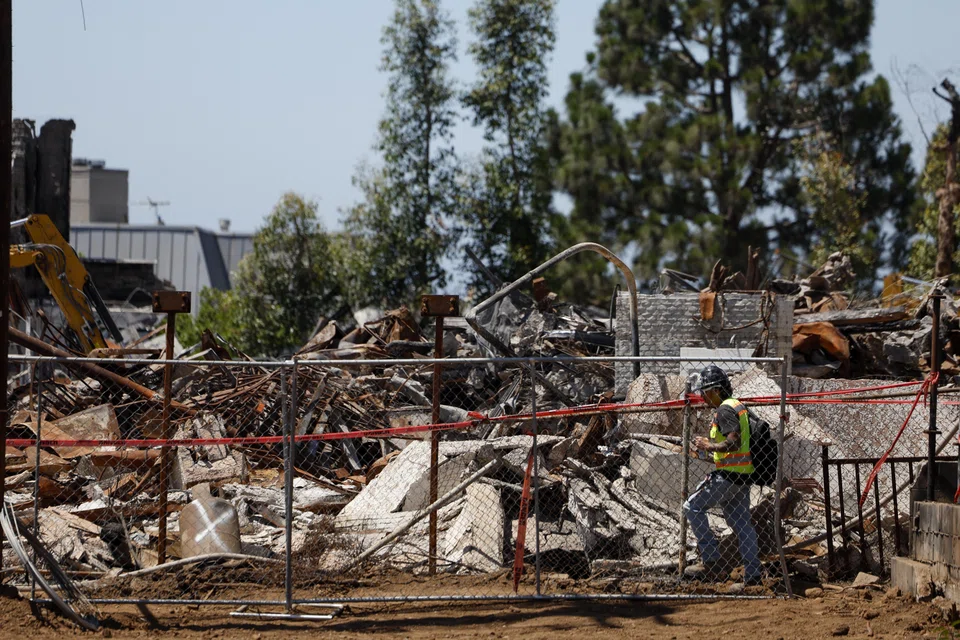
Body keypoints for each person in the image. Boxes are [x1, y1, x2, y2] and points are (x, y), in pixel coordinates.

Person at [682, 365, 763, 586]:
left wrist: (708, 445)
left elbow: (732, 441)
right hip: (743, 475)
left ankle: (711, 559)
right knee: (741, 524)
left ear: (716, 390)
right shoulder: (738, 405)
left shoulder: (724, 410)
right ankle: (753, 574)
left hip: (728, 476)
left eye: (705, 392)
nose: (703, 397)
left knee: (692, 507)